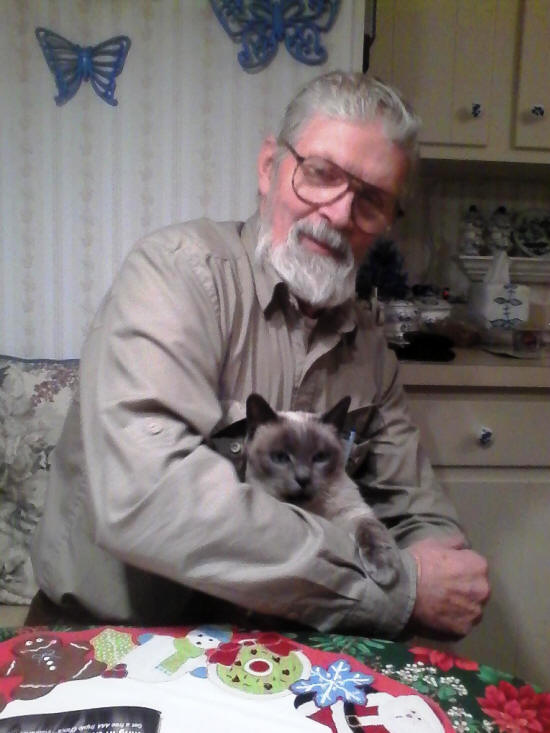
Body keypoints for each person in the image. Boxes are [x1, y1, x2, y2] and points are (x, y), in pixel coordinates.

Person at [30, 71, 489, 638]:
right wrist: (399, 589)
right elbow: (145, 499)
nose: (339, 214)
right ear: (269, 166)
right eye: (321, 174)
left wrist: (443, 568)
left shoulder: (370, 348)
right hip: (110, 640)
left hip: (278, 650)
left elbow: (415, 509)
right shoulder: (177, 274)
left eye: (371, 200)